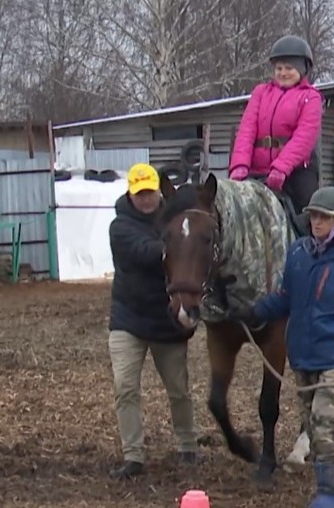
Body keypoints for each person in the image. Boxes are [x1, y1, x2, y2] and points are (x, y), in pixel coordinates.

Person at [238, 187, 334, 508]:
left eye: (324, 217)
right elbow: (285, 297)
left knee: (324, 422)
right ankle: (326, 482)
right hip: (303, 354)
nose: (316, 222)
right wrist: (256, 312)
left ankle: (329, 495)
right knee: (312, 422)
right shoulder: (297, 253)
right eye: (313, 216)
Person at [107, 163, 199, 479]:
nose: (146, 199)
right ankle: (133, 455)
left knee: (178, 389)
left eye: (150, 192)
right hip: (128, 319)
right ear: (131, 194)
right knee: (125, 387)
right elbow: (145, 252)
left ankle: (188, 445)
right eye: (140, 193)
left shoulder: (175, 218)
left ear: (159, 191)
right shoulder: (120, 227)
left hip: (166, 320)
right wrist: (180, 246)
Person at [228, 35, 323, 223]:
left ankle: (311, 248)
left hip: (295, 171)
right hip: (256, 170)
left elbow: (303, 138)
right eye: (279, 68)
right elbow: (247, 130)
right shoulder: (260, 93)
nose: (282, 73)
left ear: (302, 69)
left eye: (289, 68)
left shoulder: (311, 98)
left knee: (309, 214)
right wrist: (239, 165)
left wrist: (281, 168)